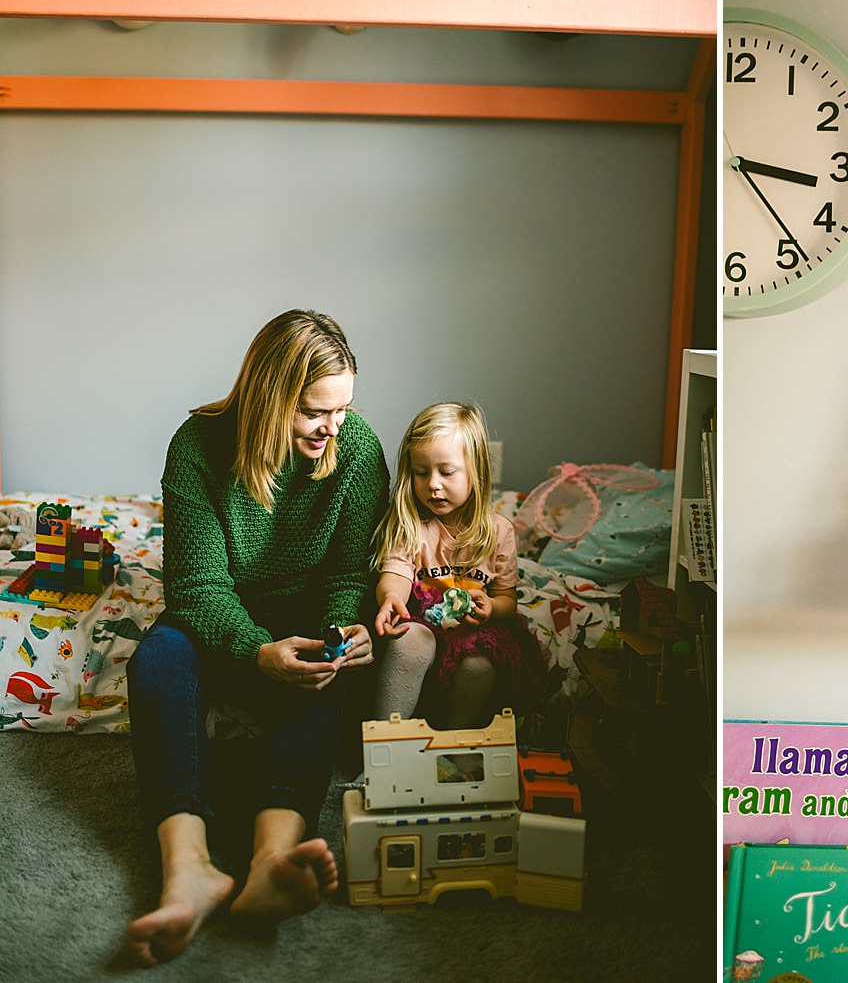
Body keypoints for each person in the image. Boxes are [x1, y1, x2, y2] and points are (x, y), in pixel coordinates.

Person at [125, 309, 389, 966]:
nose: (333, 428)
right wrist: (252, 651)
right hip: (225, 617)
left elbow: (348, 575)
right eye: (314, 413)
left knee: (325, 669)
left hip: (304, 617)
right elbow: (197, 589)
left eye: (344, 410)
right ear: (269, 400)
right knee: (157, 656)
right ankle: (189, 868)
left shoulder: (356, 449)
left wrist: (343, 632)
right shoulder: (197, 446)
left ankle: (274, 856)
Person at [371, 402, 548, 729]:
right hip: (422, 624)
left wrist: (491, 607)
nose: (433, 484)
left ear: (476, 471)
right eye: (421, 473)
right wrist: (390, 598)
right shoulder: (411, 524)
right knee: (408, 642)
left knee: (479, 666)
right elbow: (394, 573)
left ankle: (457, 743)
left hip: (473, 631)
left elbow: (508, 600)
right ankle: (383, 740)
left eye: (446, 472)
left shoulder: (499, 531)